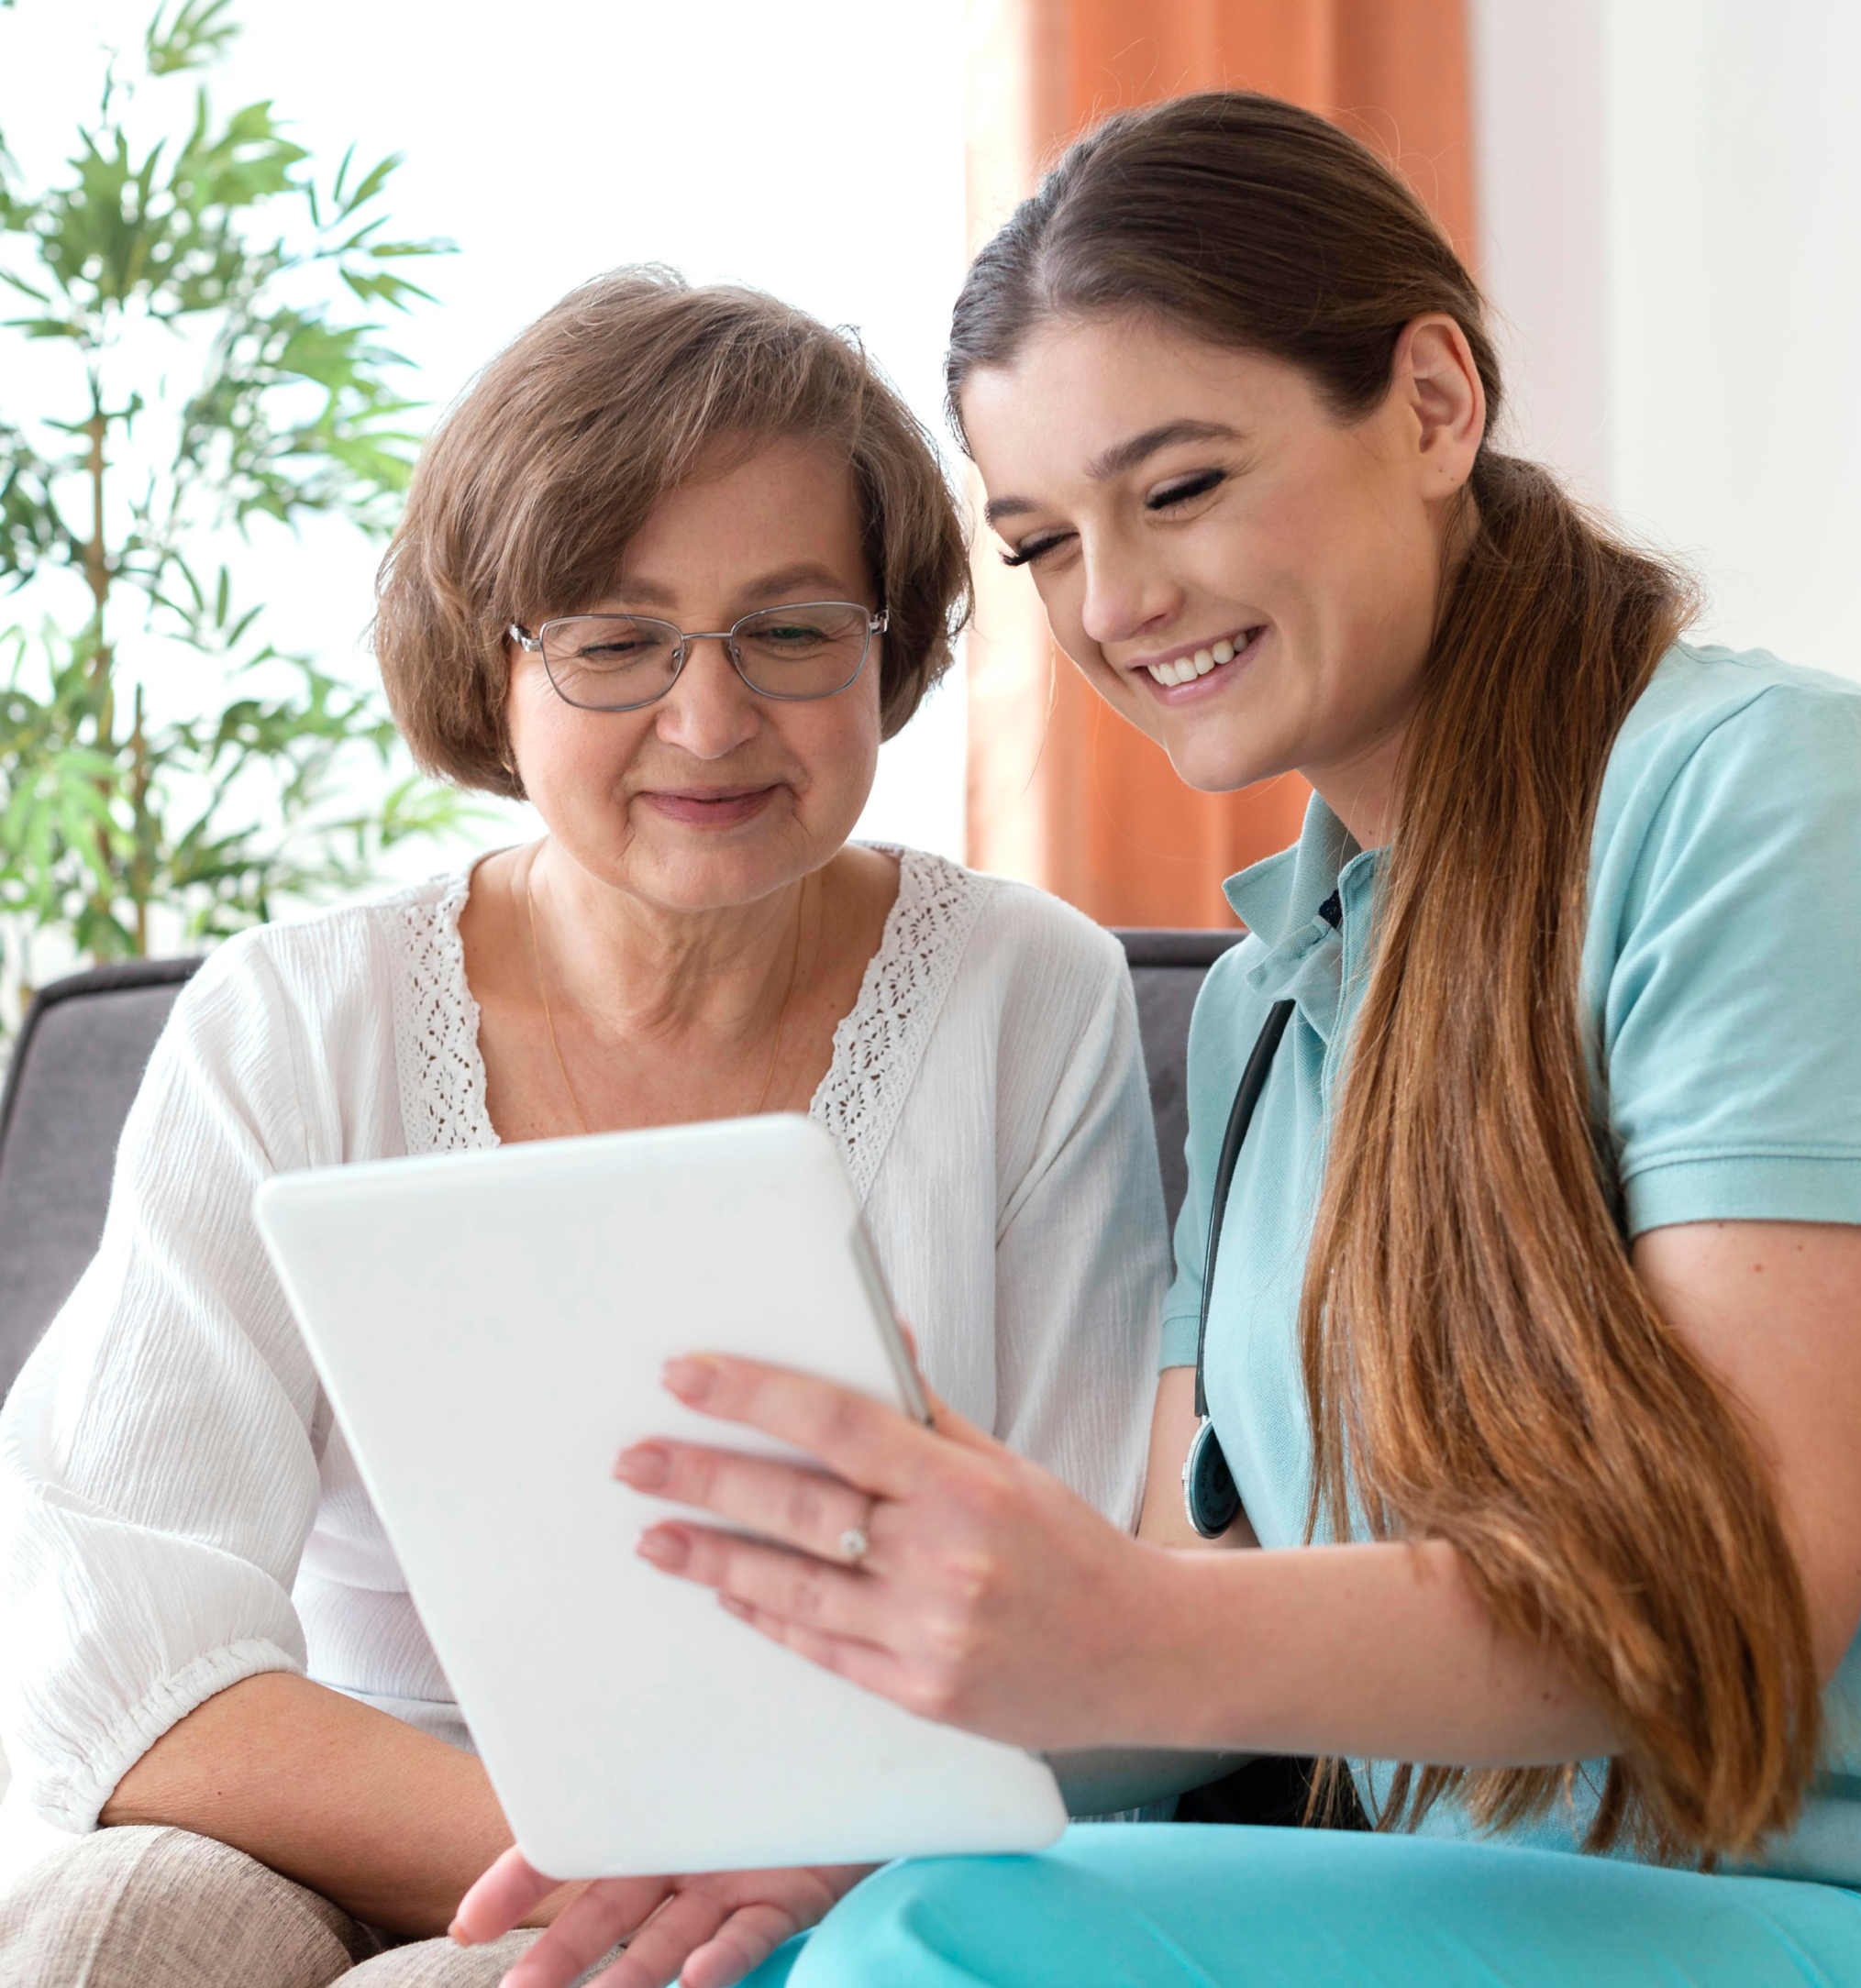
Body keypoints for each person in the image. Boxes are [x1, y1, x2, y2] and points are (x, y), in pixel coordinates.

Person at [458, 94, 1861, 1988]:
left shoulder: (1758, 799)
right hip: (1477, 1911)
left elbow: (1732, 1601)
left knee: (934, 1947)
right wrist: (840, 1798)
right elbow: (1208, 1628)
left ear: (1429, 405)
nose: (1120, 603)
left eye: (1178, 488)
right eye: (1046, 541)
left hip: (1829, 1911)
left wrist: (1111, 1620)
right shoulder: (1257, 1006)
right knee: (871, 1918)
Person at [0, 268, 1170, 1987]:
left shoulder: (1027, 994)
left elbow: (1080, 1602)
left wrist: (711, 1872)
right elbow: (114, 1650)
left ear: (890, 648)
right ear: (500, 669)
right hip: (351, 1807)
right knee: (120, 1923)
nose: (709, 722)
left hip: (836, 1851)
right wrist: (592, 1860)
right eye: (617, 642)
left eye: (789, 631)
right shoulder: (293, 1019)